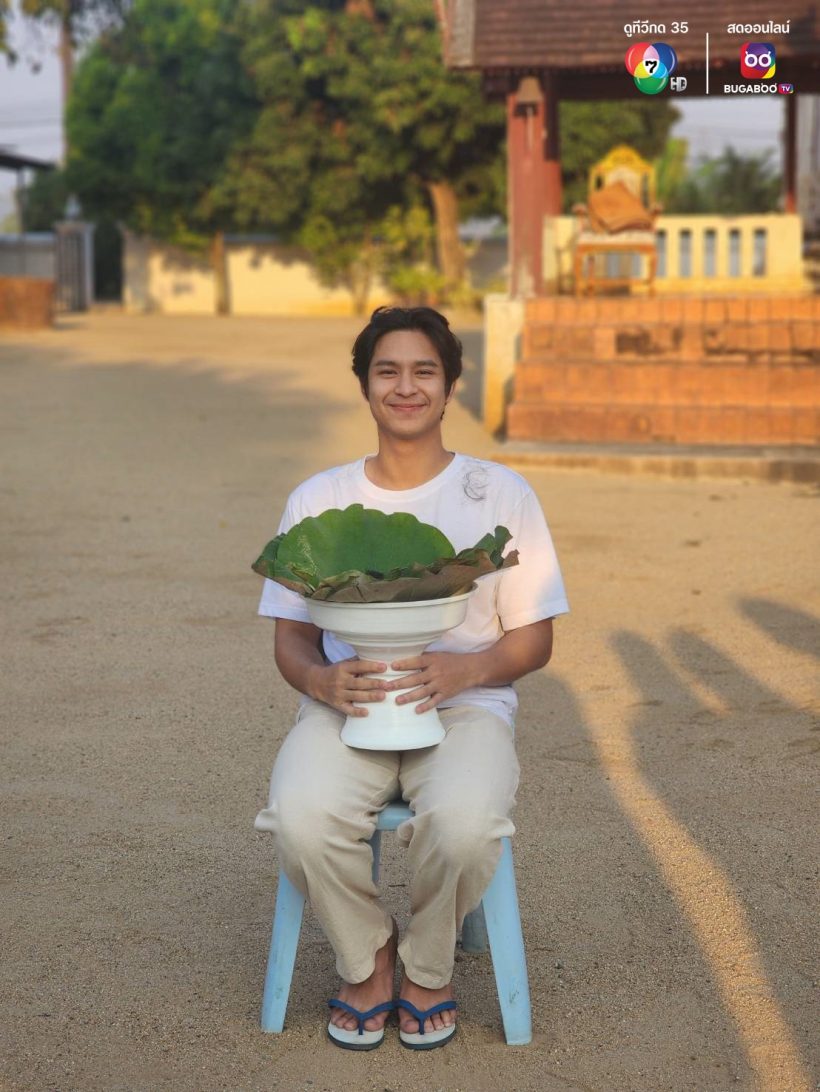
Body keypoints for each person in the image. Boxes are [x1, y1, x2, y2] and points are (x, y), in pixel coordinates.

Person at [254, 306, 569, 1051]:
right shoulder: (318, 498)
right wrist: (322, 686)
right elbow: (292, 641)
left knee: (464, 825)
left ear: (450, 384)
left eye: (424, 370)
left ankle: (429, 969)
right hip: (348, 703)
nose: (405, 387)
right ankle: (369, 958)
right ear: (364, 384)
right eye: (387, 370)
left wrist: (468, 670)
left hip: (466, 705)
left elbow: (536, 638)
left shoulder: (499, 492)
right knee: (298, 817)